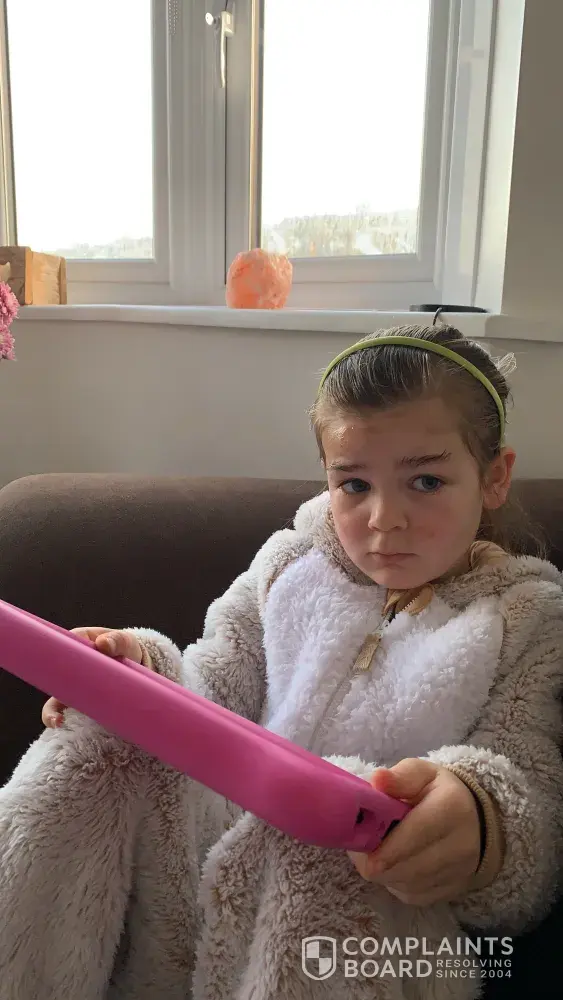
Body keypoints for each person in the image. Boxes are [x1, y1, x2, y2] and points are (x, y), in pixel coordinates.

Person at [5, 324, 563, 999]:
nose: (384, 518)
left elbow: (531, 798)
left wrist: (479, 817)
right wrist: (138, 671)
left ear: (494, 477)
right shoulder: (288, 567)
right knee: (97, 735)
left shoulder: (527, 618)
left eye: (425, 480)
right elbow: (211, 687)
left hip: (373, 924)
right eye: (353, 484)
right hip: (204, 887)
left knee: (328, 821)